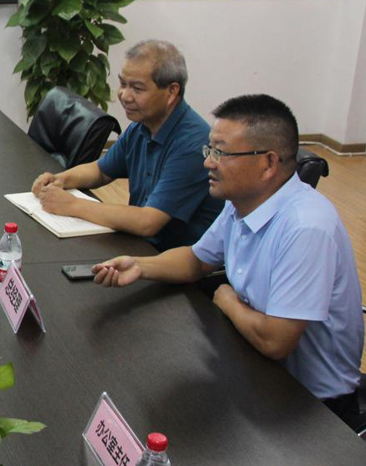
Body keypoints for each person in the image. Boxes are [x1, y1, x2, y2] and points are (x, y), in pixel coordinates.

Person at [92, 95, 364, 431]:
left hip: (311, 407)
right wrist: (140, 266)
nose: (208, 162)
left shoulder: (306, 227)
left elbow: (275, 341)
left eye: (221, 153)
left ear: (268, 163)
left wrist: (226, 299)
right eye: (210, 150)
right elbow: (196, 259)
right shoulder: (242, 202)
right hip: (253, 367)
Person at [32, 40, 223, 250]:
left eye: (137, 88)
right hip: (138, 243)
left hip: (172, 258)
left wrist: (73, 205)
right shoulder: (142, 125)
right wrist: (61, 179)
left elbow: (148, 222)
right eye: (123, 84)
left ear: (171, 92)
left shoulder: (193, 144)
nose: (124, 95)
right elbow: (100, 171)